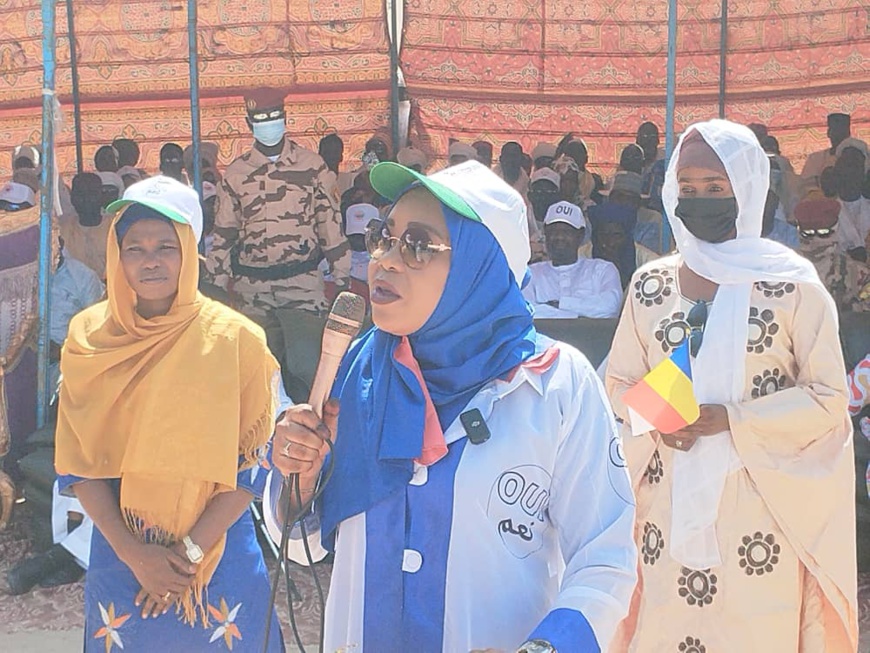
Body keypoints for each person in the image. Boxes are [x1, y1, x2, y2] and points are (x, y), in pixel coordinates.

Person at [268, 159, 637, 652]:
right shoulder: (356, 373)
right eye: (384, 235)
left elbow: (606, 555)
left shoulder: (554, 384)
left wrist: (549, 647)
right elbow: (303, 544)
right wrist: (298, 481)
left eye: (418, 246)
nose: (385, 260)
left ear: (477, 267)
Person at [605, 120, 857, 651]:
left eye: (715, 188)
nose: (699, 200)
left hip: (761, 516)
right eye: (688, 188)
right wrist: (660, 418)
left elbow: (829, 398)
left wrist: (733, 421)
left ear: (746, 189)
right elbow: (620, 382)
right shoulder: (651, 284)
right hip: (666, 511)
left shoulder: (792, 285)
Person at [55, 175, 285, 651]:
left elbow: (252, 465)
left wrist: (187, 555)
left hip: (218, 558)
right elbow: (78, 464)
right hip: (122, 558)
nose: (150, 260)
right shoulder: (89, 339)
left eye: (166, 245)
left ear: (189, 251)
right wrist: (136, 556)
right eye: (134, 247)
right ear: (116, 254)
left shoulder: (236, 342)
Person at [205, 87, 350, 393]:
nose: (268, 123)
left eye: (274, 117)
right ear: (249, 123)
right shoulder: (236, 174)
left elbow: (330, 225)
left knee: (307, 369)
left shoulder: (312, 167)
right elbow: (225, 232)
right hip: (252, 289)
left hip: (302, 283)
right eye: (261, 118)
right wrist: (217, 284)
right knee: (258, 373)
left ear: (285, 119)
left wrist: (342, 276)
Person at [524, 200, 623, 319]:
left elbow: (611, 308)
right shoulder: (530, 274)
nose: (559, 237)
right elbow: (525, 312)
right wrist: (581, 313)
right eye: (553, 231)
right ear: (545, 233)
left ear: (580, 235)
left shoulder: (602, 270)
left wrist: (559, 304)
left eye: (566, 232)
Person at [584, 202, 658, 289]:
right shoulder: (581, 257)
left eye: (617, 235)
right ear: (595, 237)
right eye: (603, 235)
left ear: (627, 236)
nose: (610, 242)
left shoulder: (651, 263)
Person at [62, 172, 113, 280]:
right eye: (80, 194)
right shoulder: (61, 228)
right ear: (72, 198)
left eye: (92, 194)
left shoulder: (114, 227)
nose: (86, 200)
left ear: (101, 197)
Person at [835, 144, 870, 258]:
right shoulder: (826, 212)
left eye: (856, 166)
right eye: (847, 165)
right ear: (838, 171)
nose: (851, 172)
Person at [801, 112, 850, 189]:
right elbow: (806, 187)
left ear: (848, 134)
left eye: (842, 131)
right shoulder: (815, 159)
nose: (839, 134)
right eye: (836, 130)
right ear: (828, 133)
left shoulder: (857, 157)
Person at [636, 122, 665, 212]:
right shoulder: (632, 158)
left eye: (652, 136)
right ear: (637, 141)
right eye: (644, 136)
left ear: (658, 141)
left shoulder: (665, 160)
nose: (648, 140)